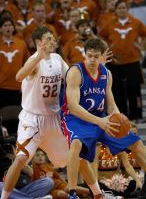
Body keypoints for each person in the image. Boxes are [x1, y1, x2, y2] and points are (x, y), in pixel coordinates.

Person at [61, 38, 146, 199]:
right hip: (75, 119)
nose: (92, 59)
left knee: (136, 142)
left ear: (101, 56)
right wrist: (100, 121)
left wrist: (119, 118)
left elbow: (111, 103)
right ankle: (72, 192)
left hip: (101, 117)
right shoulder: (75, 72)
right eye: (89, 55)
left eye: (96, 56)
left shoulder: (106, 74)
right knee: (76, 144)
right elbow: (73, 107)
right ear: (84, 54)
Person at [0, 26, 69, 199]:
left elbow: (72, 78)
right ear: (39, 42)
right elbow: (19, 76)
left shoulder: (58, 59)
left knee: (71, 157)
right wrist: (38, 56)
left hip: (54, 117)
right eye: (48, 38)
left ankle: (91, 192)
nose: (53, 41)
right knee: (21, 158)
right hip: (32, 119)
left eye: (53, 38)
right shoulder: (34, 61)